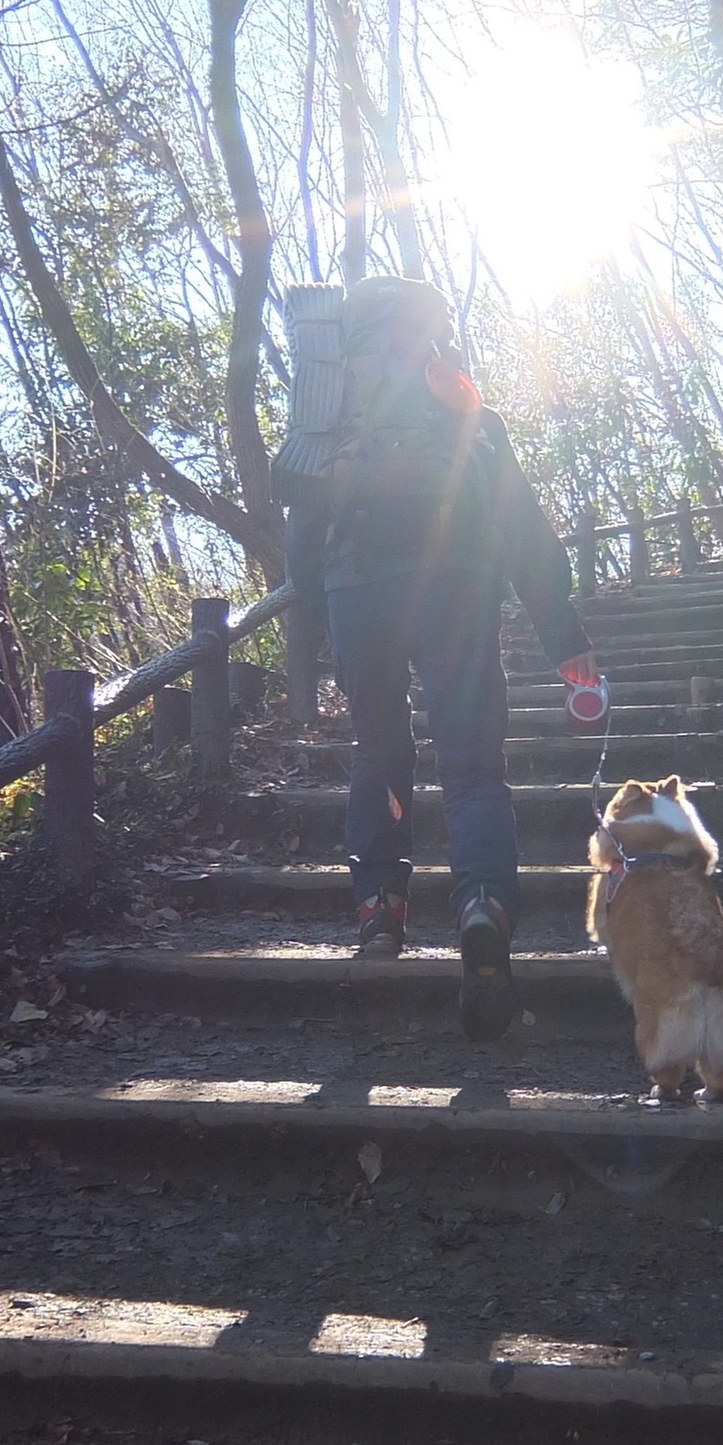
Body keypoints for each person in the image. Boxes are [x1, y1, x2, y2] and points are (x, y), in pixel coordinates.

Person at [276, 276, 597, 1042]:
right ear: (431, 325)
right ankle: (483, 904)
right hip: (456, 580)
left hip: (359, 592)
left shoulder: (332, 409)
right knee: (473, 765)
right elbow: (519, 520)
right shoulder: (458, 399)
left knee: (378, 751)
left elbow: (302, 533)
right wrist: (567, 642)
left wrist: (316, 634)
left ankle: (381, 910)